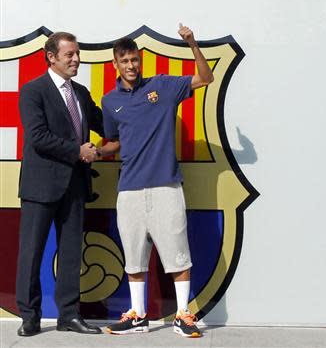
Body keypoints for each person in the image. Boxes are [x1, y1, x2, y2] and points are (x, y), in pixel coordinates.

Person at [100, 24, 214, 338]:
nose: (131, 65)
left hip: (166, 185)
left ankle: (183, 314)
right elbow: (113, 141)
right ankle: (137, 315)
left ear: (140, 60)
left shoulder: (162, 86)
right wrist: (94, 151)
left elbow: (206, 78)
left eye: (134, 59)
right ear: (116, 64)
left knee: (178, 253)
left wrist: (192, 43)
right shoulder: (110, 102)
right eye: (124, 61)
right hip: (129, 190)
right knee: (134, 258)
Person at [16, 32, 104, 336]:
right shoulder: (32, 91)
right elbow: (38, 137)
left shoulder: (81, 92)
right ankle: (30, 316)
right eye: (70, 55)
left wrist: (139, 107)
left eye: (77, 53)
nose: (77, 59)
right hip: (40, 186)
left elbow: (103, 124)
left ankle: (69, 315)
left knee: (70, 254)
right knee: (31, 252)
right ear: (51, 57)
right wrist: (77, 150)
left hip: (75, 187)